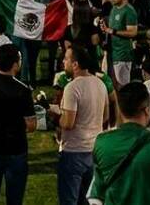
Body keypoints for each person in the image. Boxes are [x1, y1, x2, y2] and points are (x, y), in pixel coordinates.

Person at [0, 43, 36, 205]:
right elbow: (31, 125)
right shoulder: (23, 90)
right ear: (16, 64)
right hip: (15, 150)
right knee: (14, 198)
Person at [55, 44, 108, 205]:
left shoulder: (72, 87)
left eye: (66, 59)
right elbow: (105, 116)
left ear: (75, 64)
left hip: (73, 152)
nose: (63, 62)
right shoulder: (100, 84)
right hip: (94, 151)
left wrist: (57, 117)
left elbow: (68, 123)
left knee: (69, 200)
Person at [101, 0, 137, 87]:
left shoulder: (129, 11)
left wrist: (113, 31)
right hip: (111, 52)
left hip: (122, 54)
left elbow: (133, 32)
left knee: (122, 86)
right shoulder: (114, 8)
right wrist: (105, 27)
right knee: (108, 83)